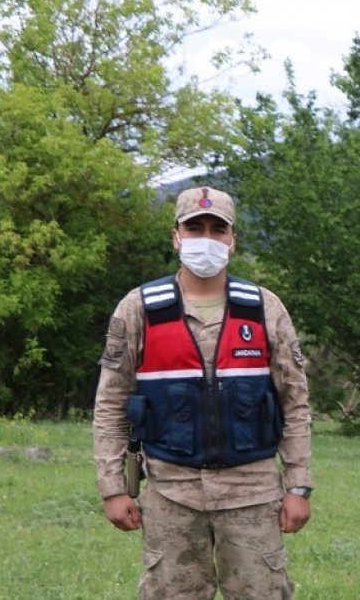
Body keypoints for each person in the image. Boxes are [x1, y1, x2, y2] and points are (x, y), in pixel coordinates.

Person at [92, 186, 313, 599]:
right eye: (195, 228)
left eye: (217, 230)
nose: (206, 239)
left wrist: (298, 486)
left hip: (252, 492)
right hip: (171, 491)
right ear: (176, 236)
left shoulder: (265, 308)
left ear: (232, 240)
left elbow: (294, 402)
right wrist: (114, 488)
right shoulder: (138, 308)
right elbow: (110, 404)